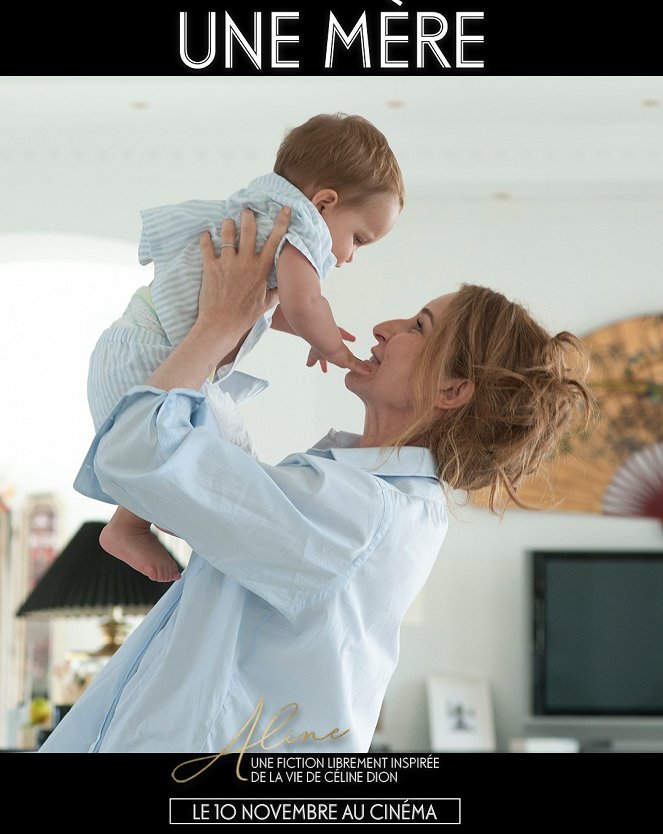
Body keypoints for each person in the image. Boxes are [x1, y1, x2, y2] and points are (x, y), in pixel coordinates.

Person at [40, 208, 593, 755]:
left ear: (451, 390)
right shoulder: (357, 498)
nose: (384, 328)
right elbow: (175, 463)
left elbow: (135, 452)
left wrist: (217, 325)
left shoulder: (357, 513)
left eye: (418, 327)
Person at [88, 113, 404, 582]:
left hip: (133, 347)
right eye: (357, 237)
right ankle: (130, 524)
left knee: (187, 446)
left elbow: (264, 305)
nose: (350, 255)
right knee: (200, 449)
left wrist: (304, 329)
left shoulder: (260, 211)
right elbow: (304, 300)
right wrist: (332, 343)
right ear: (324, 202)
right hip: (149, 348)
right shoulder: (298, 227)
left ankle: (127, 523)